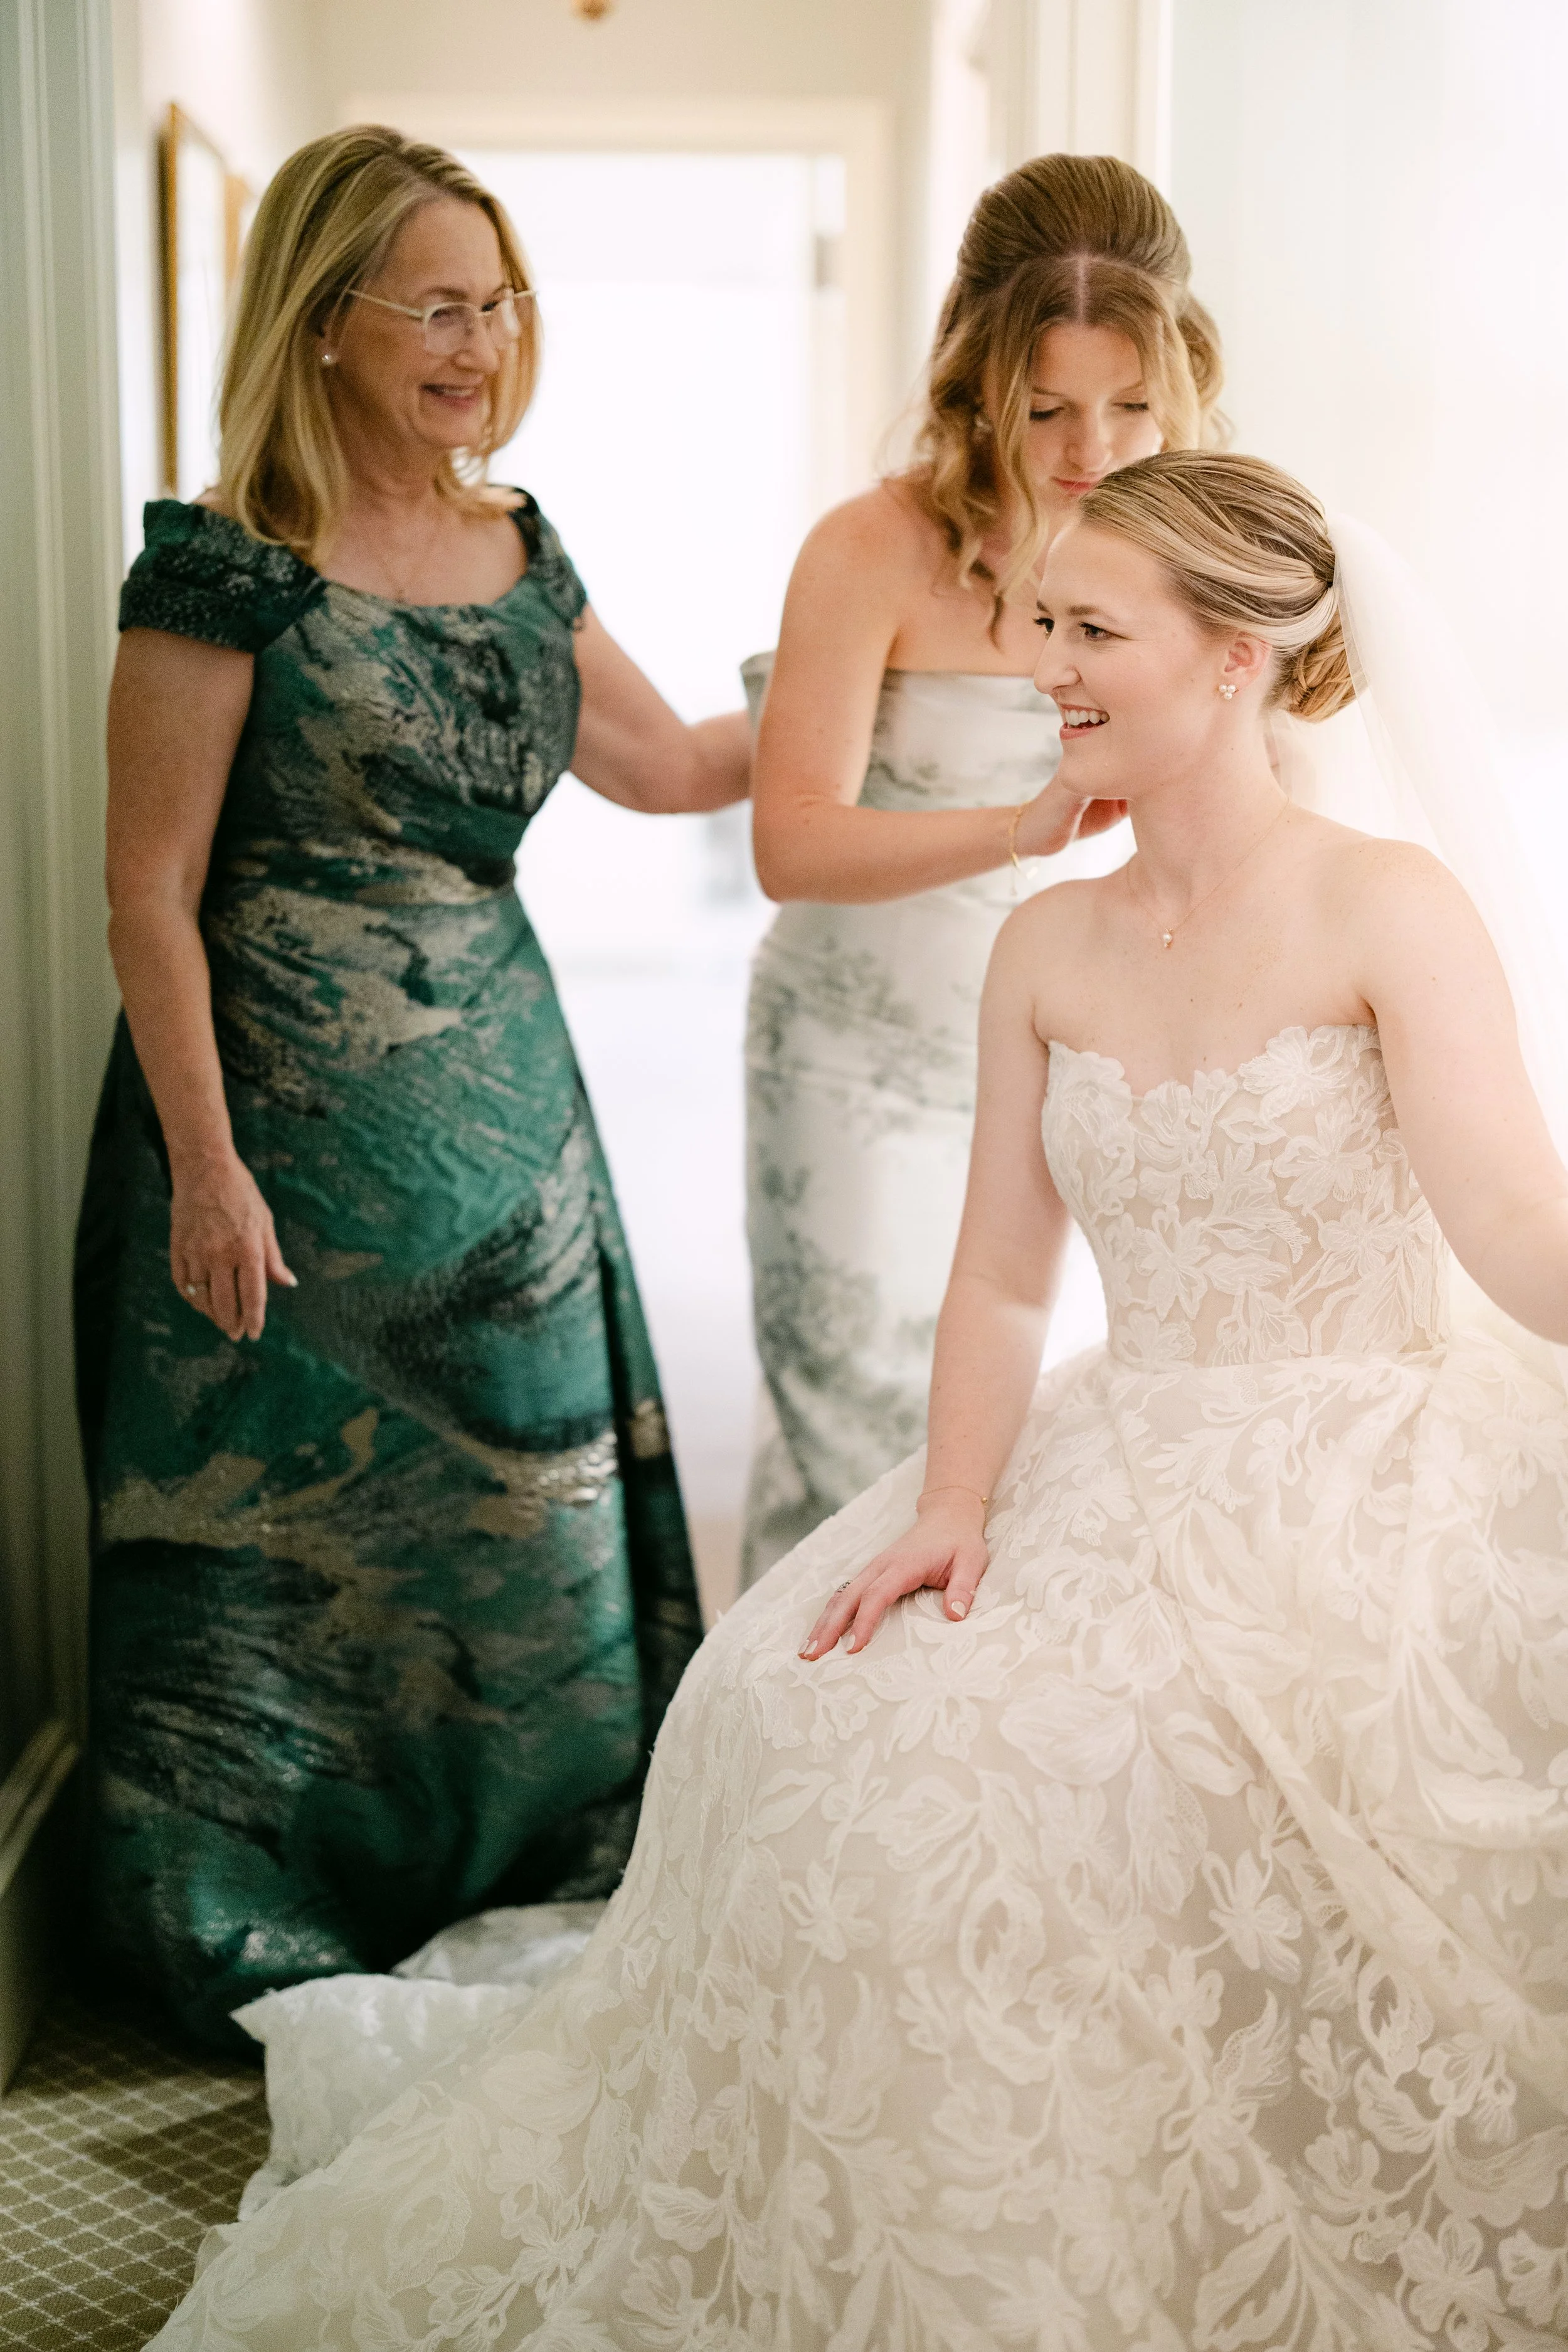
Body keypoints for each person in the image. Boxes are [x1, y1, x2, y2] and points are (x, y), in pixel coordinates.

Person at [145, 451, 1568, 2348]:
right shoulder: (1048, 942)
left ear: (1233, 658)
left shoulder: (1388, 908)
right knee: (794, 1718)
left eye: (1087, 630)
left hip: (1362, 1458)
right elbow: (998, 1272)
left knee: (1086, 1790)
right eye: (1038, 619)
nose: (1039, 664)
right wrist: (952, 1505)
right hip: (1118, 1443)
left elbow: (1503, 1219)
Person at [76, 126, 749, 2050]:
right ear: (330, 318)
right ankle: (262, 1919)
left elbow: (682, 770)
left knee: (524, 1530)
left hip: (505, 1127)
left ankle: (519, 1894)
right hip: (270, 1135)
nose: (478, 339)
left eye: (499, 301)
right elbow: (147, 889)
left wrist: (883, 657)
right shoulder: (222, 560)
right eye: (436, 304)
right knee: (284, 1543)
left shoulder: (525, 548)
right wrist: (201, 1165)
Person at [740, 152, 1224, 1582]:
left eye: (1131, 405)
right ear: (976, 378)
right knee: (863, 1438)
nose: (1092, 445)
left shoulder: (1195, 559)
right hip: (860, 1056)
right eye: (1047, 406)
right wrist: (1016, 830)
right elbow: (790, 841)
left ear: (1180, 379)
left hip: (1083, 1059)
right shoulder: (871, 549)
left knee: (1036, 1462)